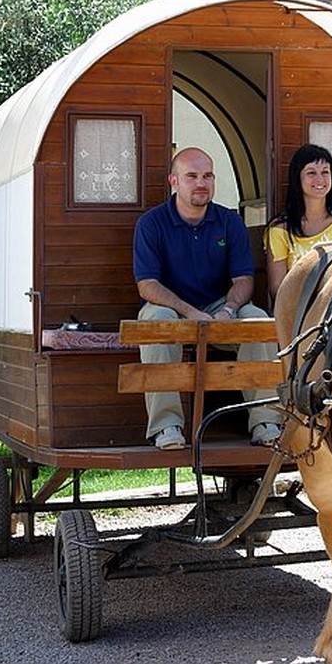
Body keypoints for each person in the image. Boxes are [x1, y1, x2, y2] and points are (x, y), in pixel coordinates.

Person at [133, 147, 282, 450]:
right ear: (173, 181)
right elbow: (147, 285)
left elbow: (243, 280)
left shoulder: (229, 221)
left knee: (258, 321)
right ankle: (167, 427)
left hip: (219, 306)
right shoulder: (151, 224)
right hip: (170, 308)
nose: (201, 183)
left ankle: (265, 420)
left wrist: (228, 310)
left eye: (207, 176)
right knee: (157, 324)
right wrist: (189, 312)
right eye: (192, 176)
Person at [264, 144, 332, 300]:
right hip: (297, 313)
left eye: (325, 172)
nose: (320, 179)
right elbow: (277, 289)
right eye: (311, 173)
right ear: (297, 178)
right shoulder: (279, 230)